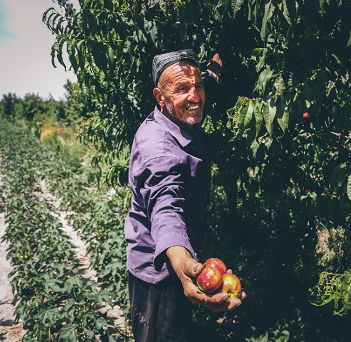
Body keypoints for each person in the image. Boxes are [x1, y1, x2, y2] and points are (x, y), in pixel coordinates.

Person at [124, 49, 245, 342]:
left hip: (183, 262)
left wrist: (216, 60)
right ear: (159, 97)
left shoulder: (187, 101)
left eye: (198, 86)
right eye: (181, 89)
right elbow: (166, 210)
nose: (195, 96)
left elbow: (205, 81)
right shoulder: (157, 148)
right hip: (161, 274)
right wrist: (182, 262)